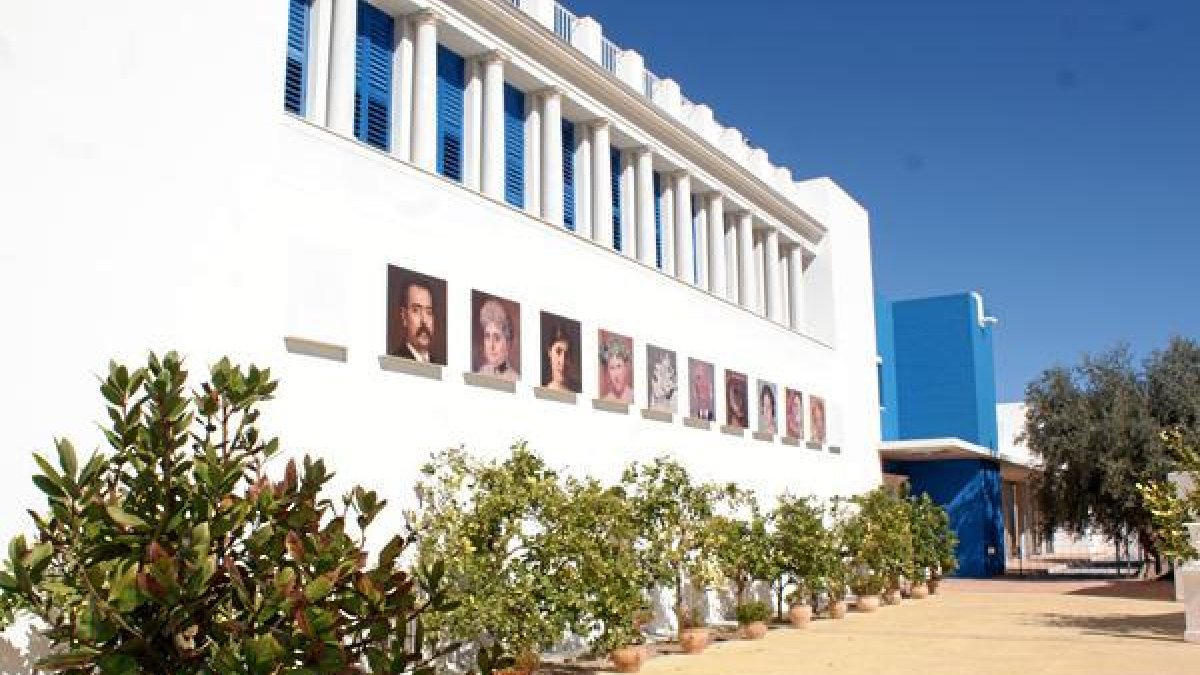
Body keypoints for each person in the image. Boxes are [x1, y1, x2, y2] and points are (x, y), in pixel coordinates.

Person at [476, 298, 518, 382]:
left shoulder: (515, 379)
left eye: (497, 338)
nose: (491, 346)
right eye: (487, 336)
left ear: (508, 344)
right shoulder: (481, 373)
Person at [396, 280, 437, 363]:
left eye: (429, 312)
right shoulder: (395, 362)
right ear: (404, 316)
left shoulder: (439, 366)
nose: (424, 320)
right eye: (416, 310)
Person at [542, 321, 578, 392]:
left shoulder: (578, 389)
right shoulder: (544, 390)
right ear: (550, 353)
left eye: (567, 354)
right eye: (558, 352)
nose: (562, 361)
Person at [600, 337, 633, 403]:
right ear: (608, 371)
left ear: (626, 367)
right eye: (612, 368)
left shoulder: (634, 397)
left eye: (619, 366)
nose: (616, 374)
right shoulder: (604, 401)